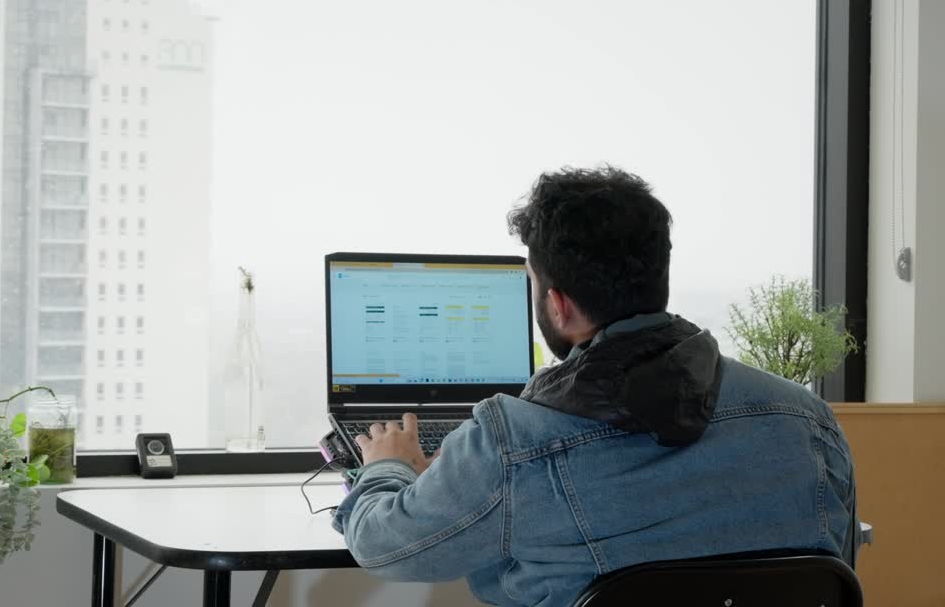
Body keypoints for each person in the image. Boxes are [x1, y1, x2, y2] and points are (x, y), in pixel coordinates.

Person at [331, 166, 855, 606]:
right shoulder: (808, 420)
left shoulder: (511, 440)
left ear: (557, 304)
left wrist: (386, 468)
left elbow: (384, 547)